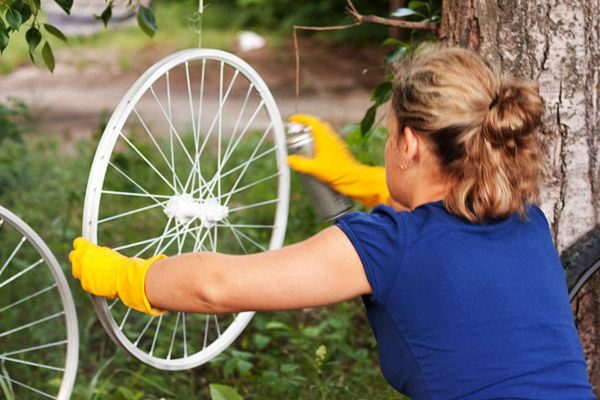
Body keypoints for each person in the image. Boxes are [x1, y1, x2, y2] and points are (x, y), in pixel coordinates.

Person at [70, 46, 594, 398]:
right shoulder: (526, 222)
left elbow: (215, 286)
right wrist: (355, 178)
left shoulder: (389, 247)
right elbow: (445, 214)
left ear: (408, 144)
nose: (387, 147)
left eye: (388, 136)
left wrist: (128, 278)